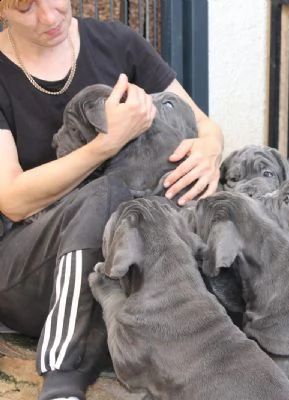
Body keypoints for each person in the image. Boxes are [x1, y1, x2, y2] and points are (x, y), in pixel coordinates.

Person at [0, 1, 224, 399]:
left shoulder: (117, 43)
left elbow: (202, 123)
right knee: (108, 192)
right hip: (28, 265)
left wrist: (209, 151)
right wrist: (106, 145)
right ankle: (63, 375)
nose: (49, 17)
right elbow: (13, 199)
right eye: (24, 8)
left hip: (115, 254)